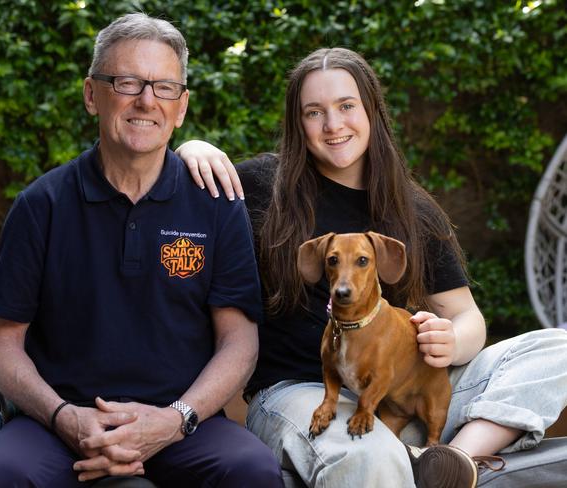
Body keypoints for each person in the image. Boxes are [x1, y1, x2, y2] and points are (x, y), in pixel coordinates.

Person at [175, 47, 567, 488]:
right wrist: (194, 146)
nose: (333, 125)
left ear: (372, 111)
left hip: (408, 387)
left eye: (346, 106)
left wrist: (452, 340)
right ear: (296, 123)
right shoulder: (263, 187)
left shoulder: (412, 209)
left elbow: (467, 316)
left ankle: (450, 459)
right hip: (303, 392)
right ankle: (409, 459)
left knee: (558, 347)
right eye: (314, 112)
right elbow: (176, 191)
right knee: (371, 457)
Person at [0, 13, 285, 488]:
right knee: (3, 476)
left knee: (253, 472)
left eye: (163, 87)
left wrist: (175, 419)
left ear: (181, 107)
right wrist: (64, 418)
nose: (146, 100)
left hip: (183, 424)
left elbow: (239, 342)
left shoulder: (217, 206)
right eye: (127, 81)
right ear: (90, 94)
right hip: (57, 424)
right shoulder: (42, 205)